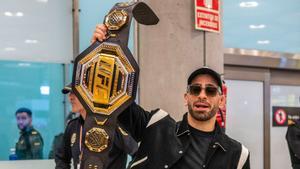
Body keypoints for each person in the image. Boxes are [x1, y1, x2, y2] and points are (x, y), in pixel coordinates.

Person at [92, 24, 251, 169]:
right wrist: (102, 53)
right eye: (195, 90)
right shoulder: (157, 127)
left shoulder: (238, 155)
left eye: (210, 91)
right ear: (186, 97)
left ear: (221, 101)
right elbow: (115, 99)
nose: (202, 95)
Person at [55, 84, 138, 169]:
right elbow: (61, 158)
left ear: (90, 95)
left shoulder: (113, 125)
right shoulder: (73, 126)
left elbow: (138, 153)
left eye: (75, 92)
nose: (70, 97)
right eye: (70, 93)